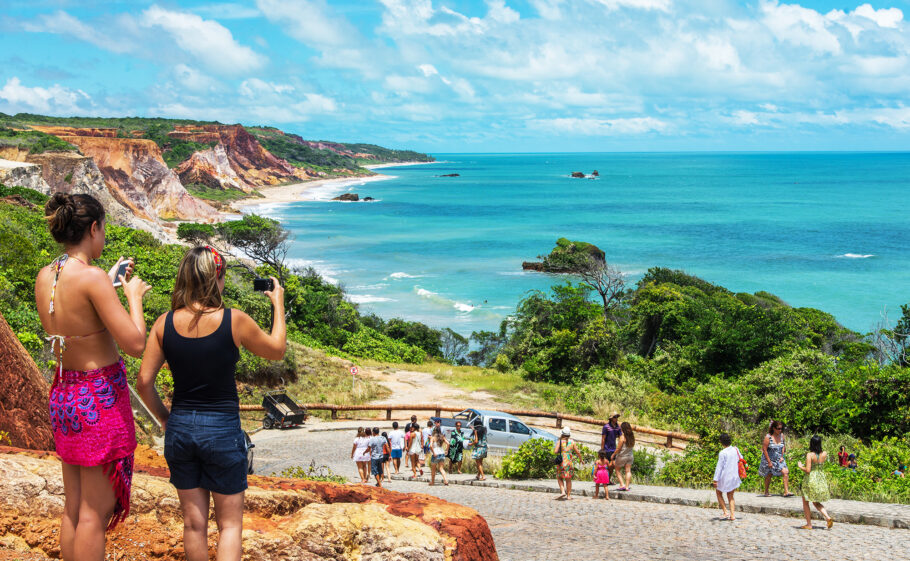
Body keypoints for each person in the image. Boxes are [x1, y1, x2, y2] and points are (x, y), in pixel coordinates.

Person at [137, 246, 285, 561]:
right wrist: (278, 304)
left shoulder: (164, 324)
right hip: (222, 430)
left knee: (194, 525)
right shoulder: (234, 321)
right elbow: (276, 350)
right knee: (229, 526)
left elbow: (144, 383)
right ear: (217, 277)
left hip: (180, 429)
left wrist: (166, 419)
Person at [36, 193, 151, 561]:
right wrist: (133, 297)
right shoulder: (93, 278)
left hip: (65, 396)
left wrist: (109, 282)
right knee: (94, 513)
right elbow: (134, 343)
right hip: (97, 400)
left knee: (74, 507)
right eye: (104, 230)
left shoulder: (47, 276)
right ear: (94, 228)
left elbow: (80, 317)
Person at [797, 435, 833, 530]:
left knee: (806, 502)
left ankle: (809, 524)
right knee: (816, 502)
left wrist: (800, 466)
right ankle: (828, 517)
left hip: (810, 479)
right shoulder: (824, 453)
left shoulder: (810, 455)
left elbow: (808, 470)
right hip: (820, 479)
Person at [712, 433, 742, 521]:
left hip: (725, 476)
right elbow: (741, 458)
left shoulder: (723, 453)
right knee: (731, 495)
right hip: (734, 476)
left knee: (718, 492)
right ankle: (732, 515)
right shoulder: (735, 449)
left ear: (721, 442)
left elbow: (719, 467)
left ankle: (725, 511)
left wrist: (715, 479)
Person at [759, 420, 793, 497]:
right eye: (778, 428)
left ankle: (786, 491)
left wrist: (782, 456)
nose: (780, 430)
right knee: (769, 475)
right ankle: (766, 491)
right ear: (774, 428)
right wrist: (769, 461)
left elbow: (783, 446)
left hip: (779, 458)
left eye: (781, 428)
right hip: (769, 458)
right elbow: (764, 449)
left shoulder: (782, 436)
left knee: (785, 472)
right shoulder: (768, 437)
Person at [553, 427, 582, 500]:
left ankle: (563, 491)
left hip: (562, 462)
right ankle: (568, 496)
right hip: (569, 462)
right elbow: (578, 452)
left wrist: (560, 450)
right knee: (568, 479)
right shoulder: (572, 442)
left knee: (559, 477)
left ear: (562, 434)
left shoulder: (560, 441)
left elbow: (555, 451)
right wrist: (581, 460)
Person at [612, 422, 635, 491]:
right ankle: (627, 486)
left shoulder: (622, 437)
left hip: (622, 456)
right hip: (630, 456)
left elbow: (618, 448)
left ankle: (622, 484)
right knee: (628, 471)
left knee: (617, 469)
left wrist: (613, 454)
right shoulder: (632, 436)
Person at [601, 413, 622, 482]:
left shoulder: (618, 427)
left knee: (612, 465)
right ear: (611, 418)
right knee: (609, 464)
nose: (616, 419)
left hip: (614, 449)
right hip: (607, 448)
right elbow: (603, 438)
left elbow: (620, 437)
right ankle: (605, 479)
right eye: (615, 417)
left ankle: (607, 479)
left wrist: (620, 447)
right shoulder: (606, 427)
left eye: (617, 417)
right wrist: (602, 449)